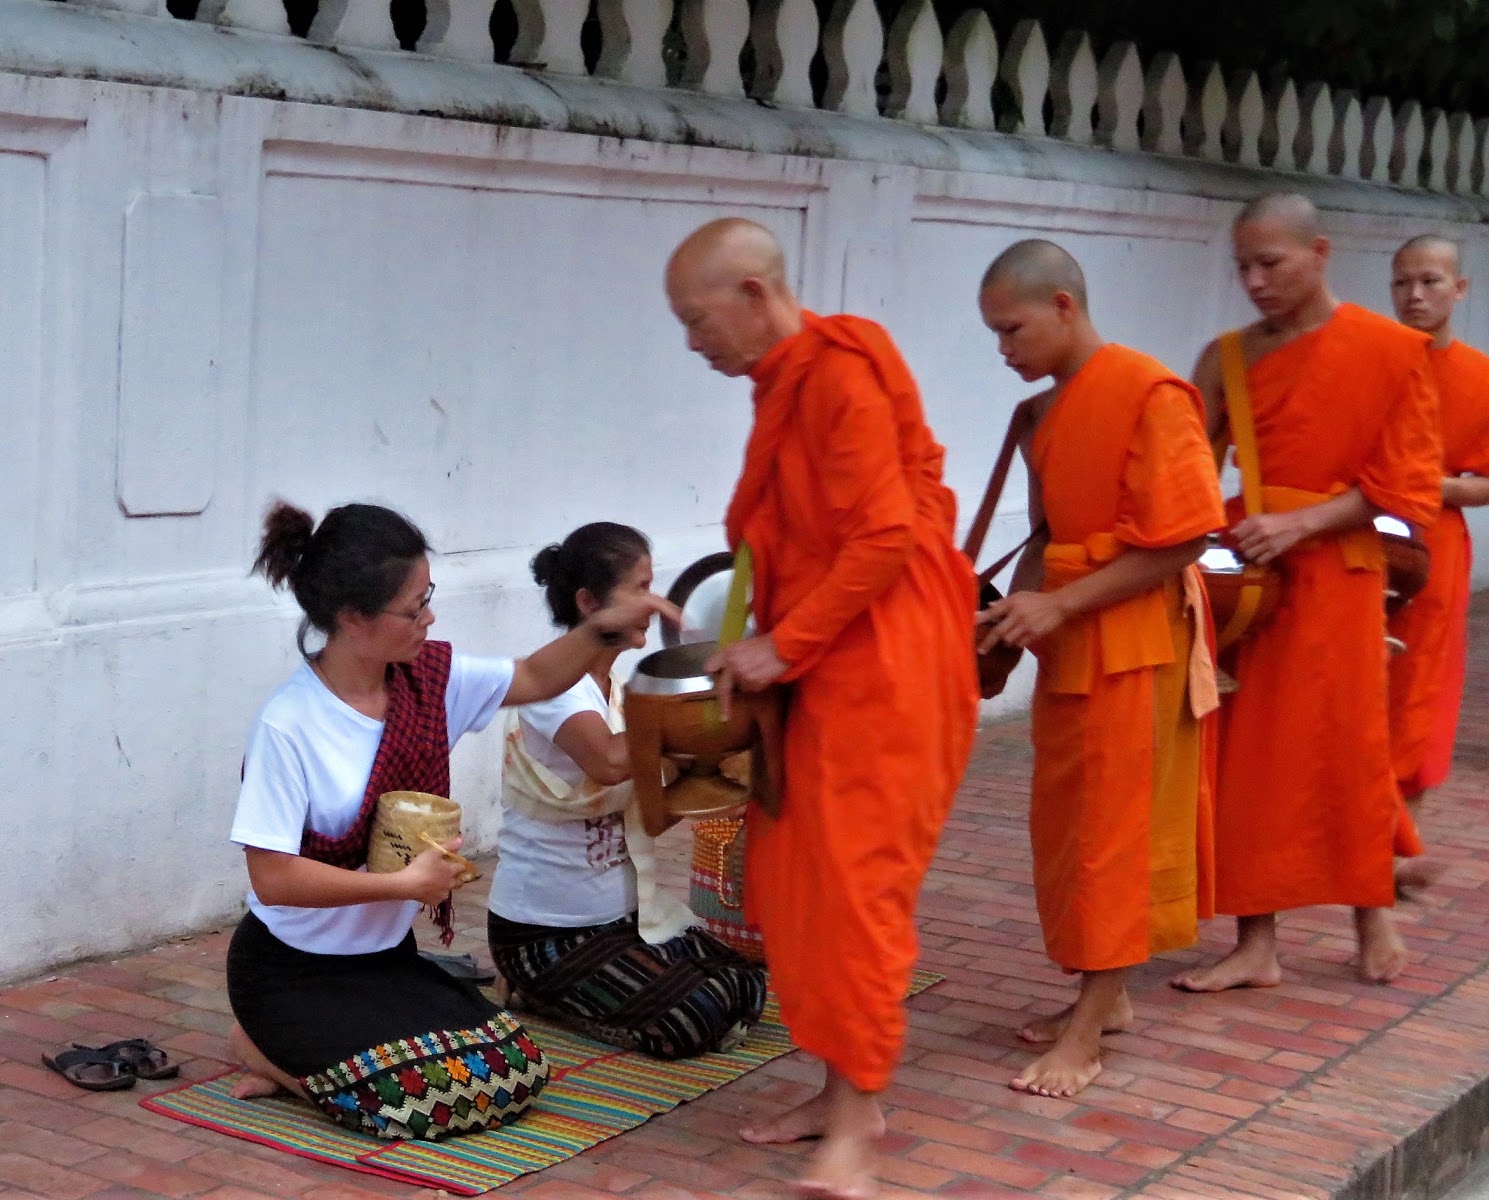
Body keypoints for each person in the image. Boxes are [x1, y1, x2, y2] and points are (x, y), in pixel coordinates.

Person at [665, 217, 977, 1199]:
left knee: (856, 892)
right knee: (801, 885)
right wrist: (759, 638)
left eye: (697, 319)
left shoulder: (840, 374)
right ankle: (841, 1094)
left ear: (755, 294)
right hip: (823, 657)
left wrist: (782, 646)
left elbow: (883, 536)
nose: (691, 342)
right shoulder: (785, 382)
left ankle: (854, 1128)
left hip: (882, 666)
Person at [227, 500, 675, 1140]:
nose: (429, 618)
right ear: (353, 618)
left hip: (384, 960)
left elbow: (533, 676)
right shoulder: (289, 724)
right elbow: (272, 879)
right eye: (414, 608)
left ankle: (309, 1063)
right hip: (291, 970)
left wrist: (604, 627)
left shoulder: (428, 682)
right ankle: (264, 1050)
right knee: (415, 1100)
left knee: (515, 1068)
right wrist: (404, 885)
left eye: (428, 598)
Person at [1173, 193, 1441, 993]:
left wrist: (1302, 522)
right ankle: (1256, 942)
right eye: (1243, 267)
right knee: (1249, 757)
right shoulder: (1227, 357)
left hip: (1339, 576)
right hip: (1252, 582)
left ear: (1319, 253)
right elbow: (1187, 466)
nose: (1255, 282)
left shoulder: (1389, 351)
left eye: (1271, 263)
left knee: (1346, 747)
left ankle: (1371, 911)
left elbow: (1408, 486)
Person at [975, 239, 1225, 1099]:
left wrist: (1061, 607)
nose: (1003, 349)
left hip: (1135, 644)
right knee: (1070, 828)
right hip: (1071, 644)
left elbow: (1185, 538)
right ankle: (1102, 996)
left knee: (1113, 837)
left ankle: (1088, 1032)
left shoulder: (1150, 393)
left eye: (1012, 329)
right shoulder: (1045, 412)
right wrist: (1011, 625)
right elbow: (1047, 536)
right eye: (994, 334)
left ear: (1064, 307)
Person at [486, 521, 767, 1059]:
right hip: (544, 936)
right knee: (697, 1015)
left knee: (744, 981)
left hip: (621, 923)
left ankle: (579, 995)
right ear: (590, 604)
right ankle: (533, 991)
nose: (654, 605)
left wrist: (713, 776)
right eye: (641, 589)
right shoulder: (555, 689)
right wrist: (687, 726)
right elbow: (611, 761)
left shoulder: (616, 693)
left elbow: (649, 814)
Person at [1386, 235, 1489, 890]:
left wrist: (1426, 486)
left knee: (1419, 689)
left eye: (1430, 281)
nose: (1415, 296)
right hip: (1357, 537)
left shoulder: (1483, 381)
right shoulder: (1371, 362)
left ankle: (1400, 840)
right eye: (1402, 283)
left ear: (1460, 289)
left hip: (1434, 545)